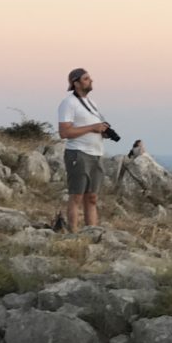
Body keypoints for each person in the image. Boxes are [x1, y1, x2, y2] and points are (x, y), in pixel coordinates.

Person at [58, 68, 112, 232]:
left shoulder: (92, 103)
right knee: (76, 196)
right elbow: (64, 132)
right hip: (78, 153)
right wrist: (92, 127)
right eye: (86, 79)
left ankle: (92, 233)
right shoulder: (68, 103)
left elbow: (92, 127)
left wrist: (102, 131)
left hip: (95, 153)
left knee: (92, 197)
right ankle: (73, 234)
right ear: (76, 83)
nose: (91, 81)